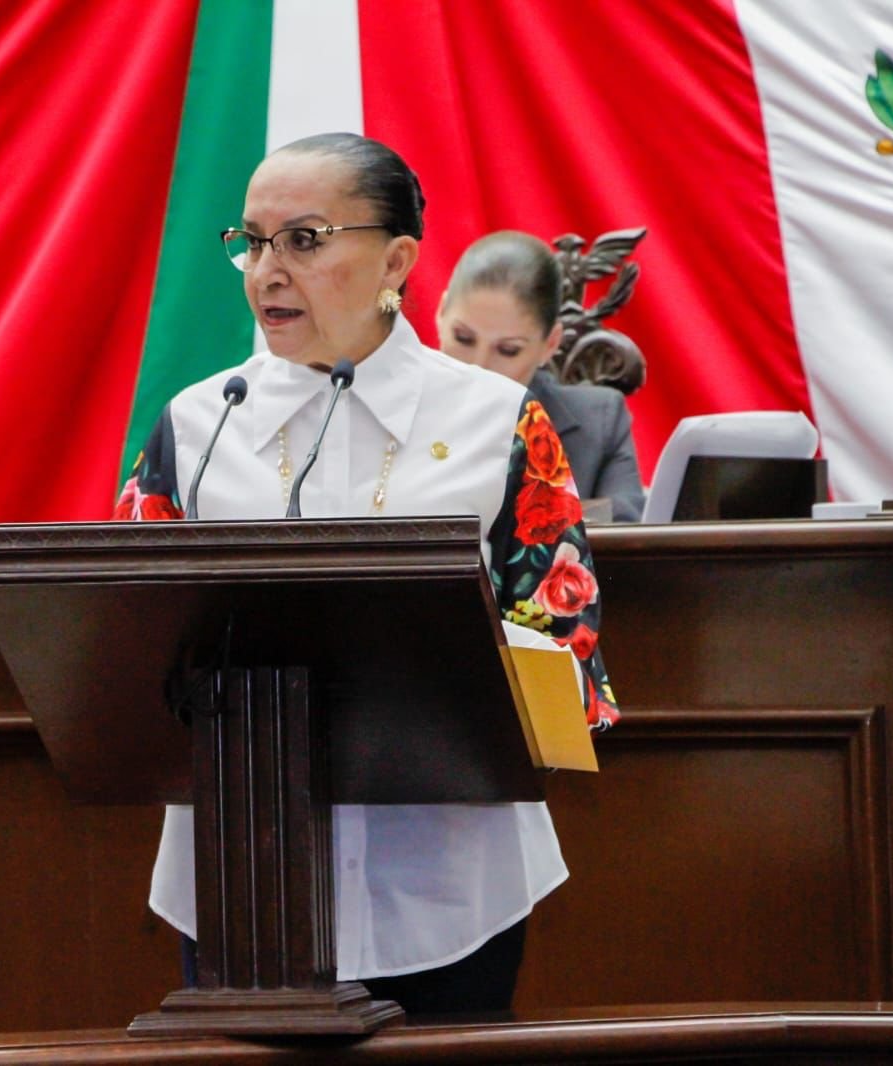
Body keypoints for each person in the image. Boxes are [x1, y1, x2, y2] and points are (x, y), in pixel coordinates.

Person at [114, 132, 618, 1015]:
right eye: (250, 242)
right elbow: (120, 651)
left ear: (396, 260)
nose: (267, 271)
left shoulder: (497, 421)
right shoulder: (196, 427)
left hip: (450, 884)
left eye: (303, 240)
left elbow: (565, 651)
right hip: (241, 879)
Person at [435, 231, 645, 522]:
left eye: (508, 350)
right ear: (441, 313)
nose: (478, 366)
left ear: (550, 344)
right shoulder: (390, 405)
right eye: (463, 338)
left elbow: (623, 533)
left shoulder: (598, 422)